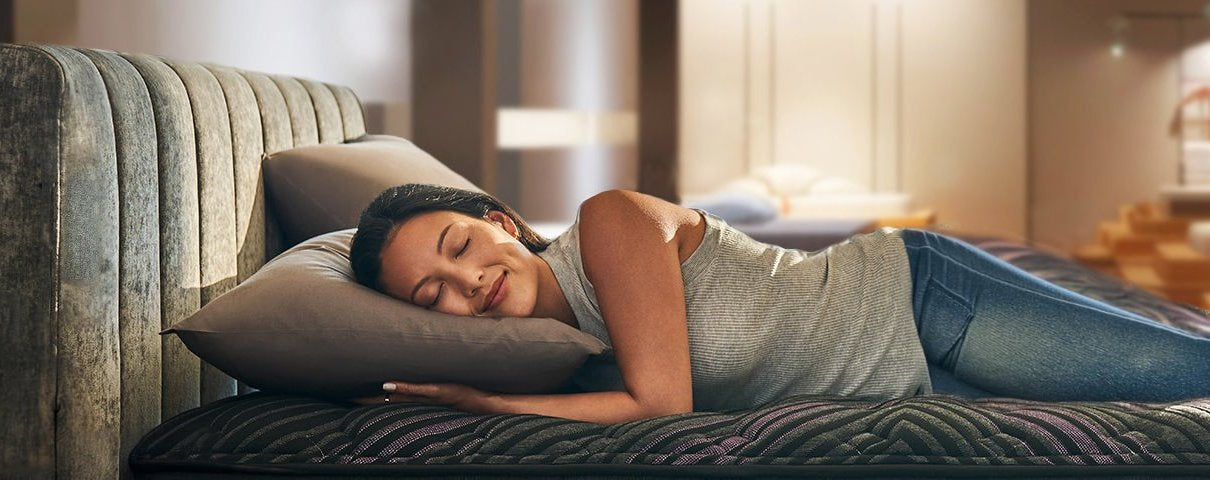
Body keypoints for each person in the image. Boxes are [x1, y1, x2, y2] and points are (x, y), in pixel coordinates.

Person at [349, 183, 1210, 424]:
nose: (469, 285)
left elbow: (663, 404)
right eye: (435, 296)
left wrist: (487, 403)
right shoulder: (554, 358)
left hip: (919, 302)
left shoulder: (604, 224)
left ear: (499, 222)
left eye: (460, 249)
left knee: (1186, 368)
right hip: (903, 392)